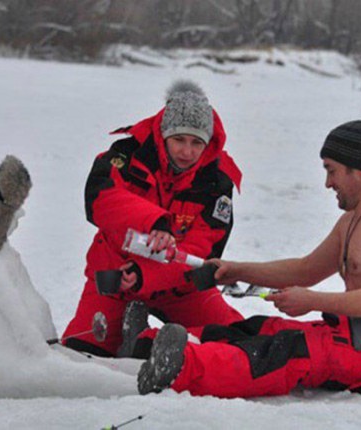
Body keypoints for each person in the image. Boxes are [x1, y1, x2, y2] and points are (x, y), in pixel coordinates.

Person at [137, 120, 361, 397]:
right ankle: (147, 345)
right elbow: (306, 270)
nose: (327, 183)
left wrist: (310, 300)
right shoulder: (354, 220)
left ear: (356, 169)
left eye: (331, 171)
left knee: (292, 352)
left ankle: (180, 367)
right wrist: (235, 269)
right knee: (264, 328)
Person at [62, 80, 244, 357]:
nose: (187, 152)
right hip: (117, 278)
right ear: (162, 134)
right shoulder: (124, 156)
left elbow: (203, 248)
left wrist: (144, 274)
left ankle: (149, 342)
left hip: (179, 286)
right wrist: (156, 222)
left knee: (234, 342)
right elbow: (100, 201)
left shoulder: (217, 181)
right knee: (81, 353)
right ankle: (134, 338)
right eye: (179, 140)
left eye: (197, 143)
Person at [0, 156, 138, 398]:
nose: (23, 213)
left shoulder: (6, 258)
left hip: (27, 354)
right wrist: (50, 355)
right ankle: (140, 385)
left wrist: (55, 350)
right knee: (73, 376)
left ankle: (143, 369)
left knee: (89, 363)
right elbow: (23, 330)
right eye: (14, 208)